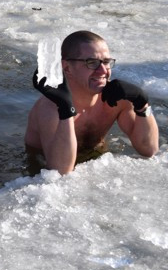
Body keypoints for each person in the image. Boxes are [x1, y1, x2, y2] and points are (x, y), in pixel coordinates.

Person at [27, 31, 158, 175]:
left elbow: (149, 150)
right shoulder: (49, 108)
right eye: (92, 63)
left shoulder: (116, 100)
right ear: (67, 67)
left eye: (106, 62)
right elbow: (60, 172)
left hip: (95, 161)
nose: (103, 71)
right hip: (40, 170)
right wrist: (66, 110)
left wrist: (142, 104)